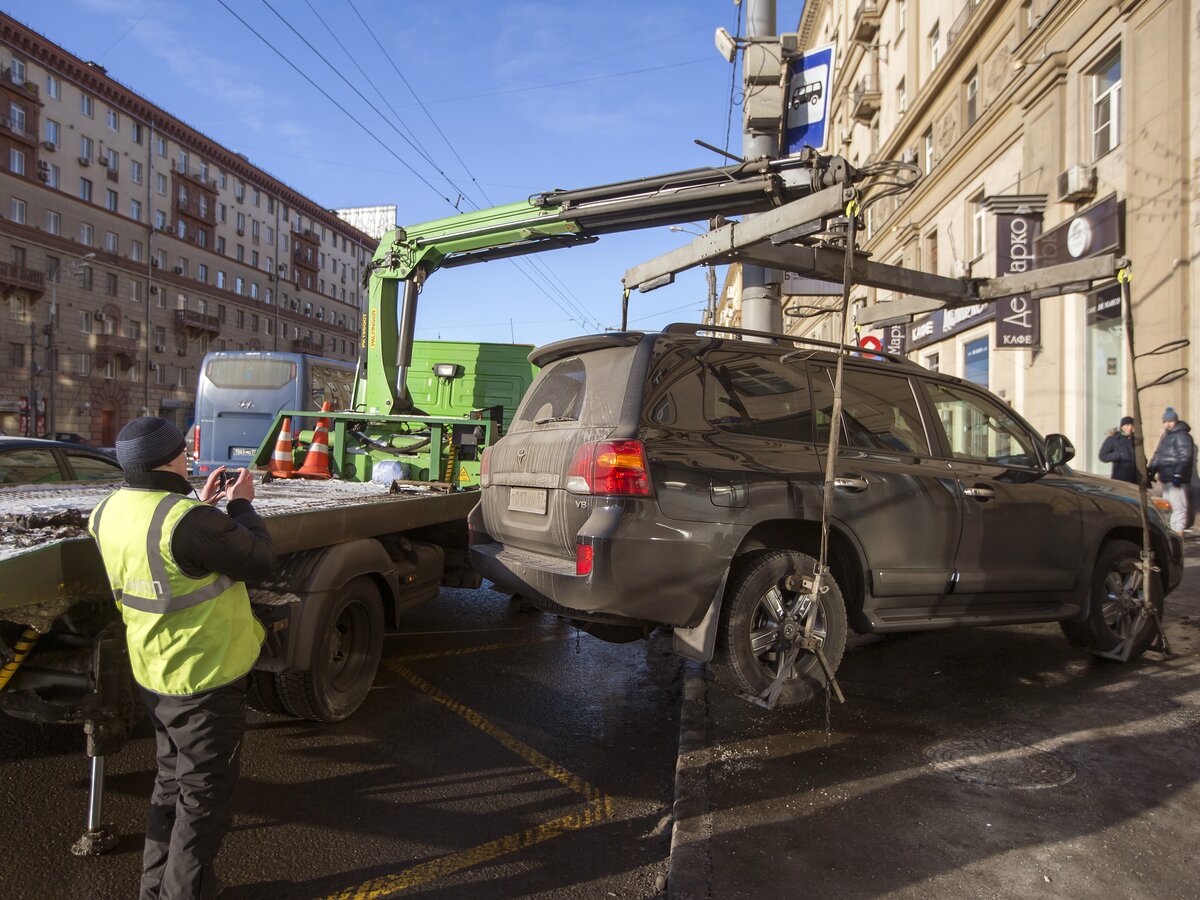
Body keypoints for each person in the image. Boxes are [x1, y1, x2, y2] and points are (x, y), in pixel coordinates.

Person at [86, 417, 275, 899]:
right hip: (205, 678)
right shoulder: (188, 521)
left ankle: (155, 890)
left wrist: (199, 506)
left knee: (171, 786)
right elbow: (258, 559)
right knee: (203, 806)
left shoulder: (108, 510)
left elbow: (166, 552)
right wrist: (240, 504)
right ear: (174, 457)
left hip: (155, 672)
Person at [1148, 407, 1194, 533]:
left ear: (1176, 421)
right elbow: (1158, 455)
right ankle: (1170, 533)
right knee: (1167, 508)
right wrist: (1152, 469)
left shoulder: (1182, 435)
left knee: (1178, 508)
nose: (1167, 424)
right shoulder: (1166, 436)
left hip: (1176, 479)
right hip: (1166, 478)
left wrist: (1178, 473)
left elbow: (1185, 456)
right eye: (1165, 421)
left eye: (1170, 421)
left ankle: (1177, 533)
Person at [1098, 416, 1138, 484]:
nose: (1130, 428)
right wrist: (1118, 455)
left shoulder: (1135, 439)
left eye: (1132, 425)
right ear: (1122, 427)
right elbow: (1102, 456)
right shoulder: (1113, 439)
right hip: (1120, 478)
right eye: (1127, 425)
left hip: (1135, 479)